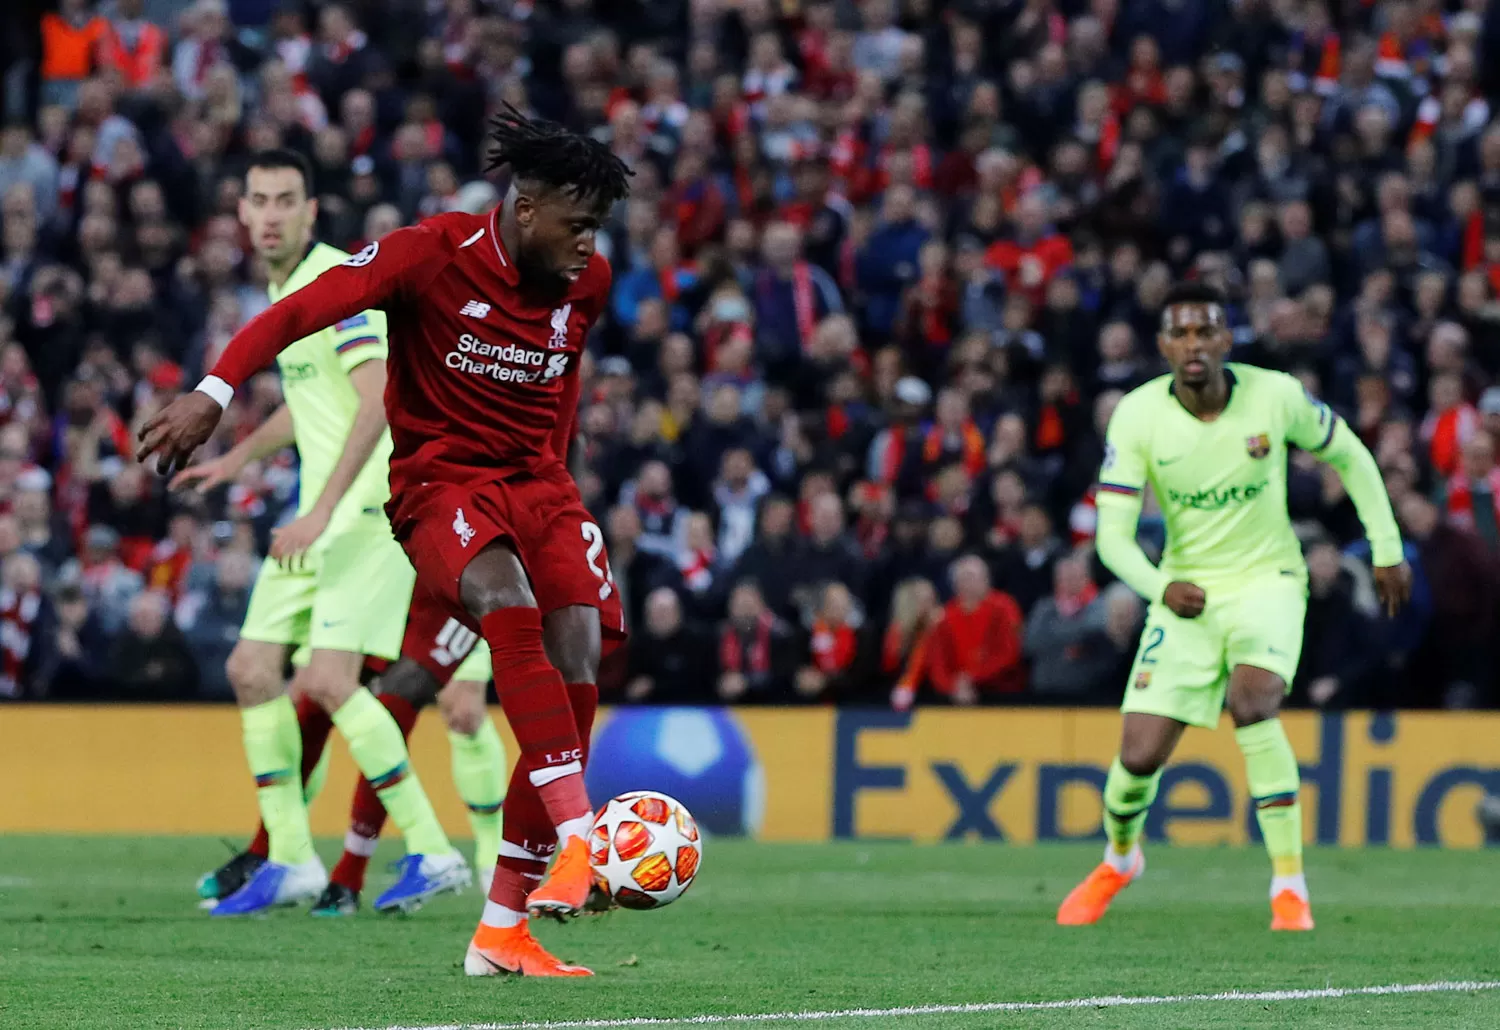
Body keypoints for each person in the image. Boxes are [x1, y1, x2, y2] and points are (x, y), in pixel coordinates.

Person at [138, 108, 633, 976]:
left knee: (580, 653)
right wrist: (213, 396)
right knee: (502, 607)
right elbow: (298, 315)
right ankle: (580, 833)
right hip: (440, 483)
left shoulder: (583, 287)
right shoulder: (426, 254)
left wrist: (559, 497)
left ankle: (502, 932)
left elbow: (563, 393)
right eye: (579, 224)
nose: (590, 245)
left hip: (539, 487)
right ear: (526, 208)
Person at [157, 149, 470, 918]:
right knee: (252, 667)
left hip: (366, 511)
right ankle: (292, 859)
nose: (268, 214)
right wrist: (234, 458)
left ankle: (433, 851)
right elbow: (313, 404)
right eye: (256, 199)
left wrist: (323, 509)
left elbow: (376, 402)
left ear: (310, 211)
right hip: (321, 514)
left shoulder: (345, 283)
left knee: (328, 682)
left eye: (283, 200)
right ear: (240, 213)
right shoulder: (287, 291)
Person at [1056, 281, 1411, 933]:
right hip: (1185, 592)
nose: (1194, 344)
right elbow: (1110, 536)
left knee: (1252, 704)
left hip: (1267, 580)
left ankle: (1288, 886)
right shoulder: (1137, 416)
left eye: (1206, 331)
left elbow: (1351, 454)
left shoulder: (1273, 396)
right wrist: (1158, 587)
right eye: (1181, 333)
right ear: (1164, 346)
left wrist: (1386, 546)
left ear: (1226, 340)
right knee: (1136, 758)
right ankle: (1119, 860)